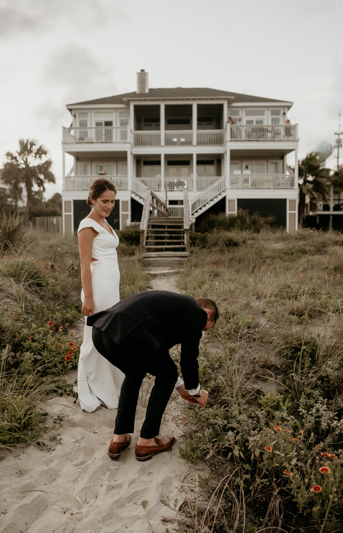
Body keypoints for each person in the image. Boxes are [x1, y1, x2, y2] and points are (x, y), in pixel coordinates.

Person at [88, 290, 218, 461]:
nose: (200, 331)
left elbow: (160, 357)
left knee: (135, 373)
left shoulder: (171, 309)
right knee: (164, 375)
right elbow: (188, 358)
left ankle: (119, 438)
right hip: (129, 333)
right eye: (205, 328)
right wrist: (197, 392)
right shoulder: (196, 312)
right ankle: (147, 441)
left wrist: (181, 388)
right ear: (208, 313)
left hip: (102, 332)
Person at [76, 178, 125, 412]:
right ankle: (95, 387)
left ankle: (112, 384)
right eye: (105, 201)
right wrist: (88, 297)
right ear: (93, 199)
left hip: (110, 286)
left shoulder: (105, 223)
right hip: (96, 286)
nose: (109, 206)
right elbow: (85, 264)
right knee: (96, 335)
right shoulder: (87, 225)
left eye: (113, 201)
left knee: (110, 334)